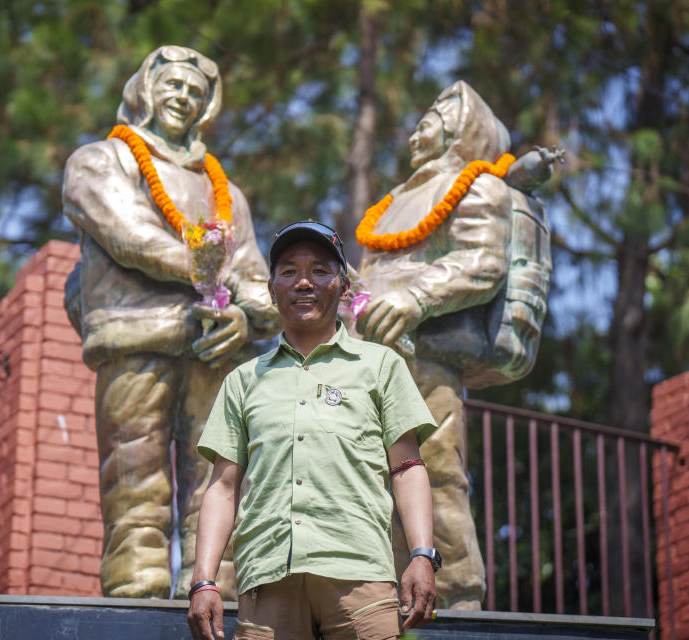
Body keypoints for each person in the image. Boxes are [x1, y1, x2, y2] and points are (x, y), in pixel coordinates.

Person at [62, 46, 279, 599]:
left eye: (196, 93)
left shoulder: (225, 192)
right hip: (137, 337)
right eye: (174, 86)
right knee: (134, 470)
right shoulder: (103, 160)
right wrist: (209, 273)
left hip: (216, 348)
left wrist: (248, 317)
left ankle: (217, 587)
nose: (184, 98)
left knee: (220, 477)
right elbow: (130, 235)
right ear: (145, 90)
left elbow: (254, 271)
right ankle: (135, 588)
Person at [187, 221, 442, 640]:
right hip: (267, 585)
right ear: (271, 290)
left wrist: (421, 555)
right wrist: (204, 581)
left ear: (343, 288)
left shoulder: (380, 366)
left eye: (320, 270)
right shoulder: (242, 381)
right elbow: (222, 488)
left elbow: (408, 466)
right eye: (288, 271)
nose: (303, 282)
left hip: (360, 577)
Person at [355, 81, 519, 609]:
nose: (420, 124)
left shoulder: (477, 184)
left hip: (425, 357)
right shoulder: (392, 204)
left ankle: (455, 598)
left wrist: (415, 298)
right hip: (368, 364)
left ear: (465, 124)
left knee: (436, 473)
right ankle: (381, 596)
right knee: (368, 487)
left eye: (438, 114)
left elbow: (483, 262)